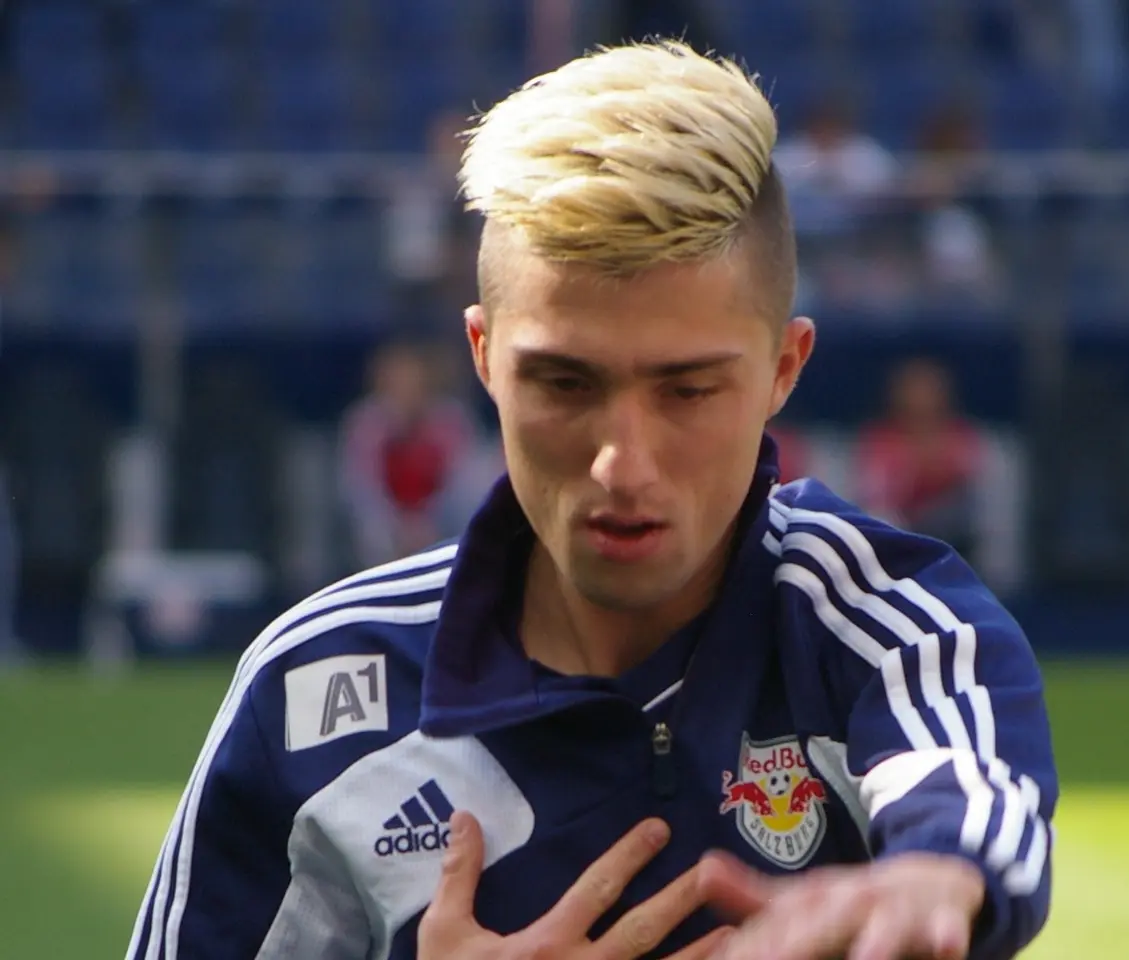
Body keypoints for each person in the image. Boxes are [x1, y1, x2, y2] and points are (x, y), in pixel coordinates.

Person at [127, 40, 1055, 960]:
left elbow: (966, 791)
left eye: (687, 391)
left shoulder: (880, 620)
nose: (624, 465)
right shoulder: (313, 695)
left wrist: (935, 875)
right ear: (485, 358)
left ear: (784, 370)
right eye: (565, 386)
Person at [337, 337, 478, 569]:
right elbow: (361, 490)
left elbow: (463, 483)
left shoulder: (453, 422)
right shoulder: (364, 425)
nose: (407, 388)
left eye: (413, 380)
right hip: (381, 537)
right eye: (398, 380)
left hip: (442, 529)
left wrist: (428, 525)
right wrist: (395, 530)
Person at [854, 358, 987, 562]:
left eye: (928, 389)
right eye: (913, 389)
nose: (920, 397)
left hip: (958, 539)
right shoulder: (880, 440)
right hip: (900, 540)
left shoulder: (962, 436)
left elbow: (971, 484)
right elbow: (875, 498)